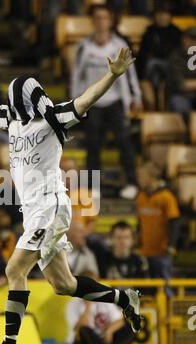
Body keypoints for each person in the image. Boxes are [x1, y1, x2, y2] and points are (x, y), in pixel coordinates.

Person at [0, 46, 142, 344]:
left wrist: (112, 75)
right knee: (63, 285)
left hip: (50, 207)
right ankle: (123, 298)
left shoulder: (52, 120)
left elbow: (85, 100)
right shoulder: (12, 120)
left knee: (14, 270)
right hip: (37, 211)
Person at [71, 4, 142, 200]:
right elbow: (77, 75)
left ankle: (131, 182)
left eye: (104, 17)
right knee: (93, 144)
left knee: (124, 142)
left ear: (110, 21)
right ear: (92, 21)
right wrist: (76, 102)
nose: (101, 21)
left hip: (115, 101)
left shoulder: (119, 45)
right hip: (94, 102)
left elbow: (131, 75)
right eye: (97, 18)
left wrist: (136, 97)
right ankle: (93, 187)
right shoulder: (84, 47)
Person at [136, 161, 180, 283]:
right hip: (145, 250)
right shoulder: (141, 196)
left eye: (141, 177)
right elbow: (140, 223)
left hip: (162, 251)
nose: (139, 180)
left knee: (165, 284)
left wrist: (171, 245)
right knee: (147, 287)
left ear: (150, 177)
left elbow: (174, 222)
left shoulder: (166, 197)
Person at [137, 4, 182, 107]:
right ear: (155, 16)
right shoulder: (150, 31)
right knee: (154, 71)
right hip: (155, 68)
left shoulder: (176, 32)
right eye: (159, 14)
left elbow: (176, 54)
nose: (162, 17)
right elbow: (143, 52)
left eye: (165, 14)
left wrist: (157, 53)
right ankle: (158, 105)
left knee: (153, 64)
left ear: (170, 16)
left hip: (171, 66)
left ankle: (154, 97)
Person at [66, 299, 135, 344]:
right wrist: (88, 307)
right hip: (91, 340)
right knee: (83, 331)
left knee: (130, 328)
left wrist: (109, 331)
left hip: (107, 338)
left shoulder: (105, 300)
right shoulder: (73, 305)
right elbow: (78, 329)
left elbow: (120, 321)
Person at [166, 27, 196, 119]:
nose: (193, 43)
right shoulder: (175, 57)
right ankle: (187, 132)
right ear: (184, 39)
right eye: (191, 39)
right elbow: (182, 85)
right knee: (180, 106)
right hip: (180, 96)